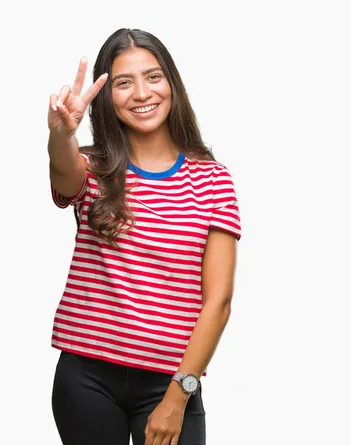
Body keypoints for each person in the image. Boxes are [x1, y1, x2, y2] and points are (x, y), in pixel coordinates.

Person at [47, 28, 241, 445]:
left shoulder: (212, 181)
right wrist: (62, 135)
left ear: (171, 82)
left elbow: (218, 302)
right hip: (87, 379)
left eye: (153, 77)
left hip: (170, 382)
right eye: (123, 82)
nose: (141, 92)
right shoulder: (93, 168)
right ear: (107, 97)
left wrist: (177, 397)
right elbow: (64, 172)